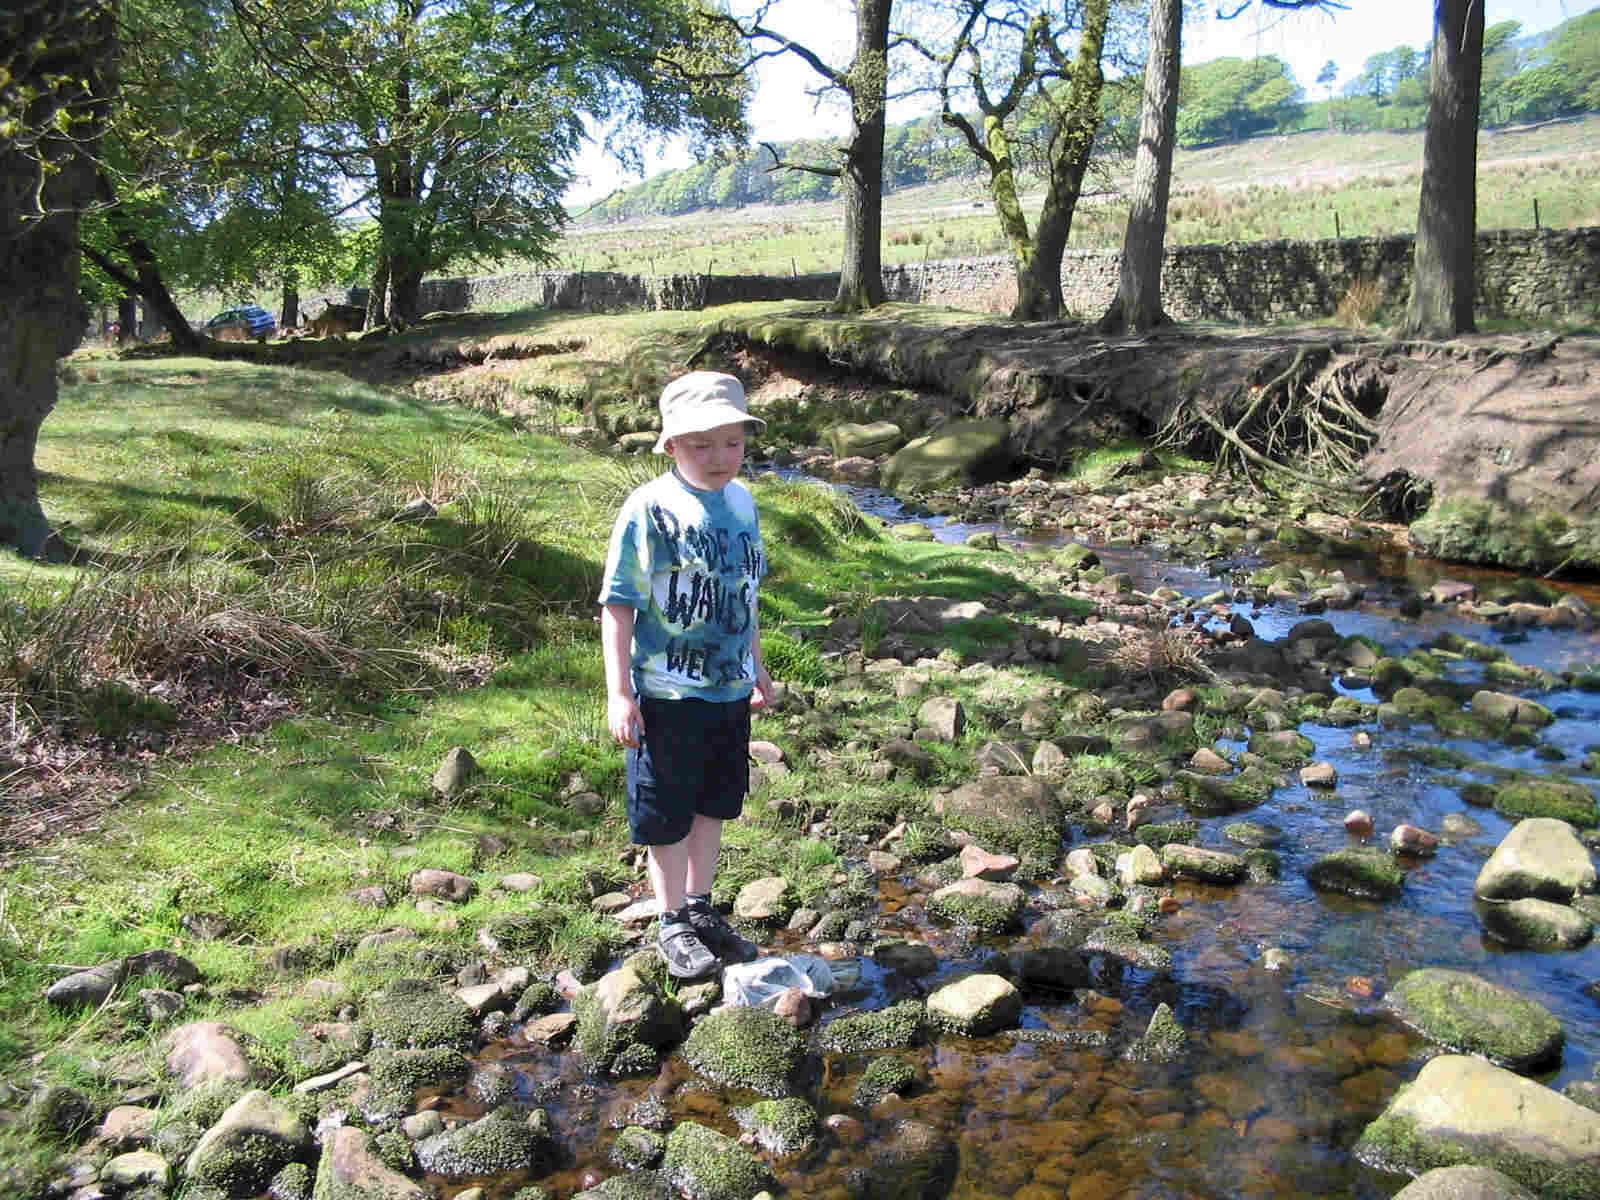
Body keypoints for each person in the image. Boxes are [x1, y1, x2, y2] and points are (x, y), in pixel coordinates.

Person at [598, 371, 777, 979]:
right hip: (666, 692)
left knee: (714, 803)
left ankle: (700, 909)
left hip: (729, 690)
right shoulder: (649, 508)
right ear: (671, 446)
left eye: (732, 442)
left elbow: (744, 593)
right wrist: (620, 693)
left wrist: (758, 667)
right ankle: (670, 918)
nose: (721, 457)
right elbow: (618, 604)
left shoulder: (744, 501)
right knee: (665, 811)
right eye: (702, 445)